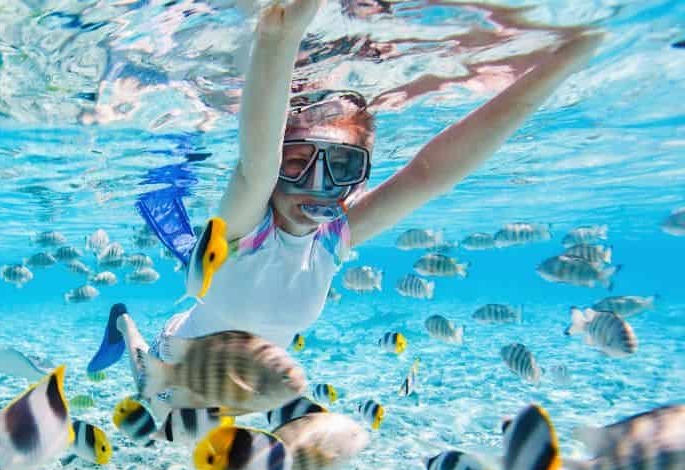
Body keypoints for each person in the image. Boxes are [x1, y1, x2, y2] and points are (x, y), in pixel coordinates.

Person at [88, 0, 601, 418]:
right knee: (144, 390)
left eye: (342, 167)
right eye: (296, 161)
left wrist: (554, 68)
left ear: (362, 174)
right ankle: (124, 323)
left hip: (248, 396)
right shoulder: (250, 227)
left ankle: (188, 260)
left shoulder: (332, 240)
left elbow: (431, 173)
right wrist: (278, 38)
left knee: (199, 264)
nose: (317, 185)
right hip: (174, 373)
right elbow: (254, 167)